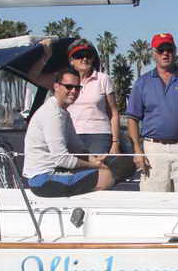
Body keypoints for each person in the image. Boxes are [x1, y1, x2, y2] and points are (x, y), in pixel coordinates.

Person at [124, 33, 178, 193]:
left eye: (169, 49)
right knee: (154, 201)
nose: (165, 53)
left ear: (175, 51)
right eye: (161, 50)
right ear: (153, 53)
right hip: (153, 149)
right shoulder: (142, 82)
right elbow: (132, 118)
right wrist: (137, 149)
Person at [23, 69, 114, 197]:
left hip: (55, 172)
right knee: (106, 176)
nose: (74, 91)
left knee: (112, 169)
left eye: (77, 88)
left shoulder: (64, 113)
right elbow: (62, 159)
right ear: (56, 86)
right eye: (69, 87)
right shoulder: (52, 114)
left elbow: (78, 148)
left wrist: (95, 161)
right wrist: (93, 165)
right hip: (42, 179)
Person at [64, 39, 121, 156]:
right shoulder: (64, 82)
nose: (84, 59)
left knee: (98, 167)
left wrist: (115, 142)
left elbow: (114, 113)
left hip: (100, 135)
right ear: (71, 61)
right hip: (71, 134)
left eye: (88, 55)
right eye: (79, 56)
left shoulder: (103, 79)